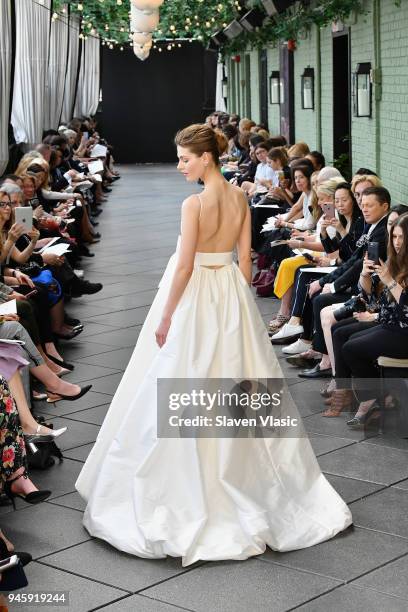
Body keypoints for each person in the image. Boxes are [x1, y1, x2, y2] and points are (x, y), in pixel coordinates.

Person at [76, 124, 351, 567]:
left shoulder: (195, 203)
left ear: (205, 157)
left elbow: (185, 266)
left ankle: (190, 486)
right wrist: (239, 307)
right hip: (229, 294)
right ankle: (254, 481)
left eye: (185, 158)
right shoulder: (239, 198)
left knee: (180, 379)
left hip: (197, 292)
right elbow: (246, 260)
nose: (180, 166)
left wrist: (166, 316)